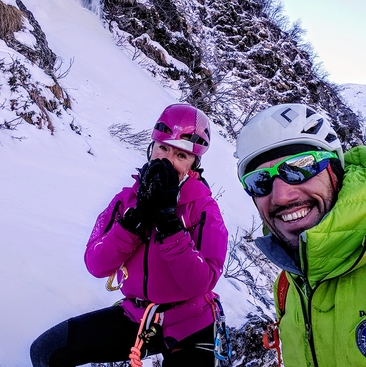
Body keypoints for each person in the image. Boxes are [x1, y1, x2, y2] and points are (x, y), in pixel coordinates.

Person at [30, 104, 229, 367]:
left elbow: (200, 282)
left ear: (194, 164)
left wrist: (169, 224)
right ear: (152, 147)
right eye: (163, 148)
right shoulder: (126, 202)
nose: (167, 161)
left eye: (181, 156)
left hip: (191, 323)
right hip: (137, 315)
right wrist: (135, 221)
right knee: (47, 352)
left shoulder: (204, 208)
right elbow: (96, 264)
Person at [234, 103, 366, 366]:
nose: (281, 195)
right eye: (259, 181)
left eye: (299, 167)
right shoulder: (288, 287)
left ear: (335, 171)